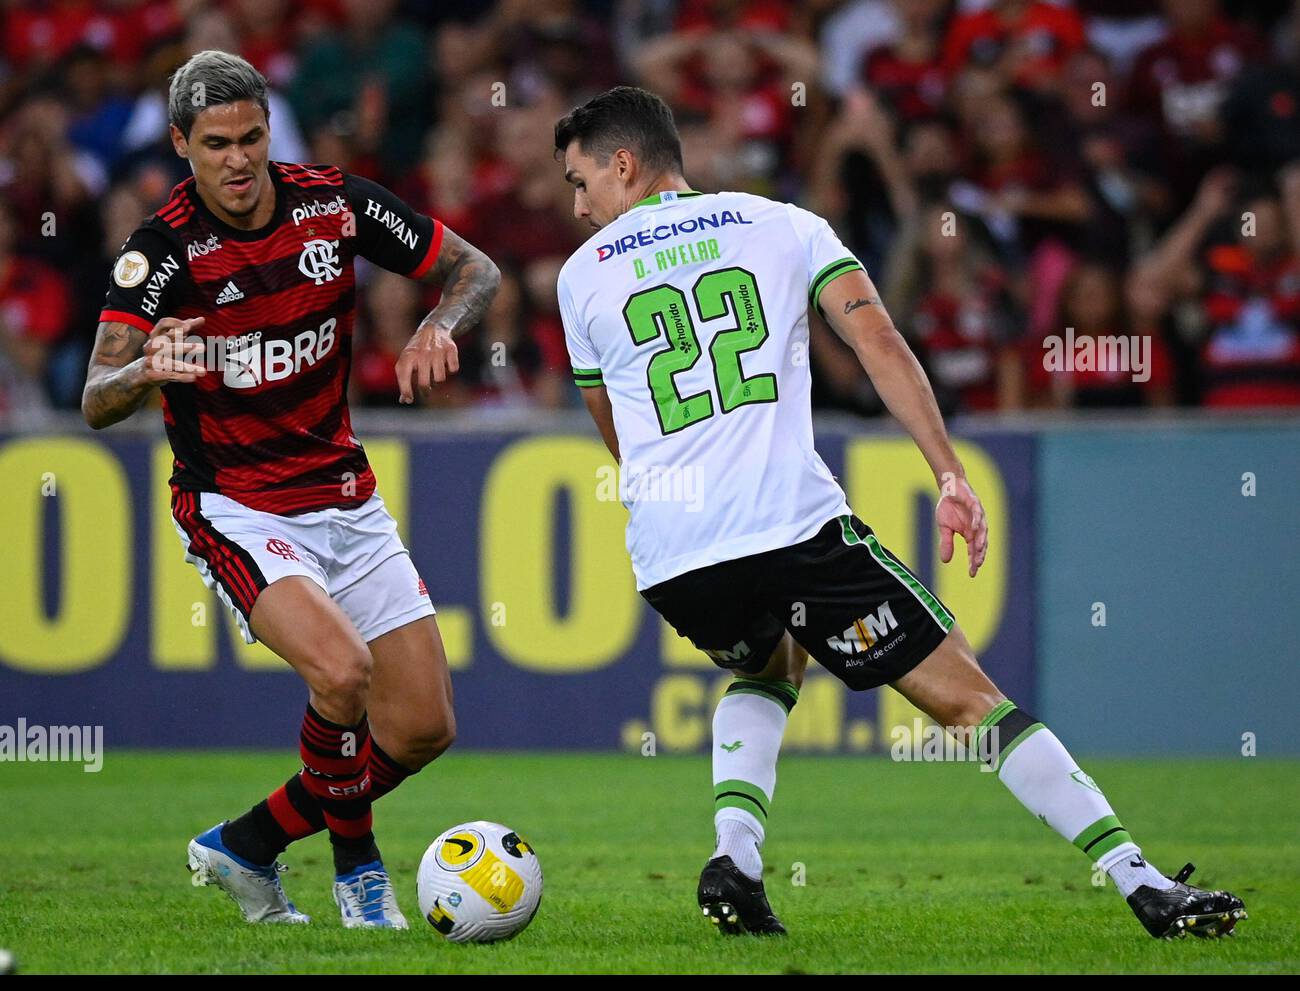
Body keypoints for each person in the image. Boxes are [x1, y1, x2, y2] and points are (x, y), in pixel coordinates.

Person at [553, 85, 1244, 940]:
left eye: (582, 183)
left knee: (768, 669)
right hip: (788, 527)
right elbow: (876, 338)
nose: (579, 208)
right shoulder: (785, 226)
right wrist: (948, 473)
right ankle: (1141, 882)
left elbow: (617, 432)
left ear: (625, 163)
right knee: (971, 703)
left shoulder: (579, 278)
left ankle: (737, 855)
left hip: (672, 555)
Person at [82, 50, 500, 928]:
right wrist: (148, 369)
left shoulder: (332, 201)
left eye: (251, 138)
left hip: (343, 494)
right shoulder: (162, 249)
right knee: (342, 672)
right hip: (237, 504)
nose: (237, 160)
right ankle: (359, 874)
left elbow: (475, 270)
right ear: (181, 146)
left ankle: (245, 842)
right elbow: (94, 395)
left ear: (271, 130)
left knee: (424, 723)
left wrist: (437, 321)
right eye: (215, 144)